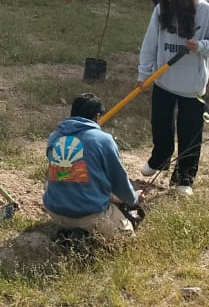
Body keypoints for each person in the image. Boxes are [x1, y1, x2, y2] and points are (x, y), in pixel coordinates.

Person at [136, 0, 209, 196]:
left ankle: (184, 177)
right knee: (160, 124)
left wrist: (200, 46)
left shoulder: (205, 12)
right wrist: (143, 75)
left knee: (189, 133)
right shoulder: (161, 9)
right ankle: (159, 159)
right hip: (163, 80)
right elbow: (149, 44)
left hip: (192, 86)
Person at [43, 94, 142, 242]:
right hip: (89, 215)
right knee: (128, 237)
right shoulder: (103, 140)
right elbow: (119, 181)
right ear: (97, 117)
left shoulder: (54, 137)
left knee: (60, 175)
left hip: (55, 212)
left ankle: (69, 230)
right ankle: (83, 233)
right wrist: (133, 199)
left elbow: (71, 176)